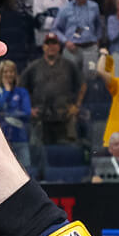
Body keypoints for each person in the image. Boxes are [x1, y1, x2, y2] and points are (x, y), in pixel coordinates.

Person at [21, 32, 83, 176]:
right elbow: (21, 87)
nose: (51, 47)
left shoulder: (69, 65)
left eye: (54, 44)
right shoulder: (34, 67)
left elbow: (82, 85)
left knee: (64, 154)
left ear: (59, 46)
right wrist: (28, 108)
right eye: (48, 44)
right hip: (41, 118)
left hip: (64, 118)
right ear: (43, 47)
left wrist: (77, 105)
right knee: (39, 154)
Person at [0, 61, 32, 175]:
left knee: (25, 172)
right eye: (5, 72)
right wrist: (6, 92)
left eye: (11, 71)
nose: (8, 74)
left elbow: (27, 113)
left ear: (15, 73)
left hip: (19, 138)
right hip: (0, 139)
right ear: (0, 74)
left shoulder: (22, 92)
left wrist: (6, 114)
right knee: (1, 172)